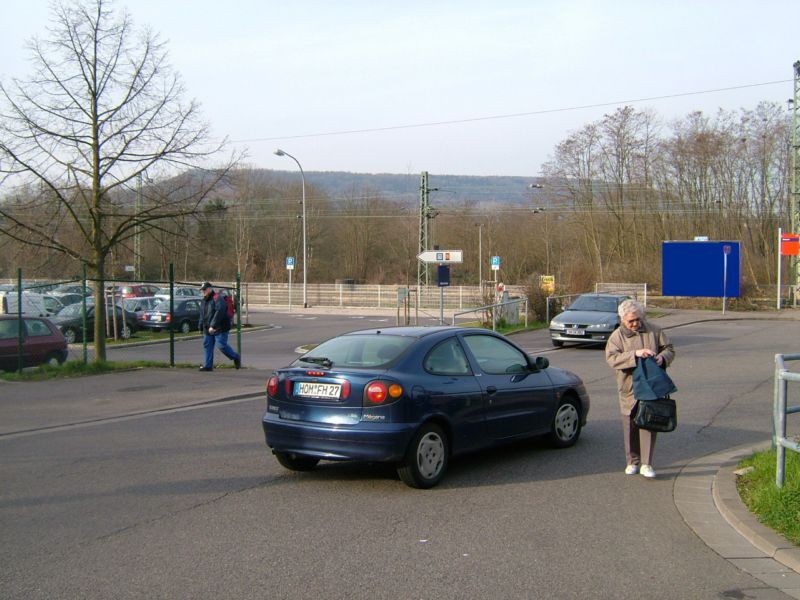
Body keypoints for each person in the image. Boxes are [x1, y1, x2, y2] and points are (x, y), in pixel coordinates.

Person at [605, 299, 674, 479]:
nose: (635, 323)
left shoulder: (654, 330)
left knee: (649, 422)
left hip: (651, 386)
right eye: (631, 321)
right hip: (628, 387)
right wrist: (635, 354)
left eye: (637, 319)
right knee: (630, 424)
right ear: (622, 320)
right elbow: (612, 358)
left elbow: (669, 348)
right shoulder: (616, 337)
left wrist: (662, 358)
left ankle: (647, 463)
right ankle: (632, 461)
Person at [198, 281, 241, 371]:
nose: (203, 292)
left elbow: (219, 312)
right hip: (208, 327)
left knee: (221, 345)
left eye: (205, 290)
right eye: (202, 290)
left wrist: (213, 326)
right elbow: (202, 314)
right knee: (207, 345)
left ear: (210, 289)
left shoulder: (217, 298)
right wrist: (201, 325)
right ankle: (208, 365)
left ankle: (235, 356)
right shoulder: (203, 301)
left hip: (220, 327)